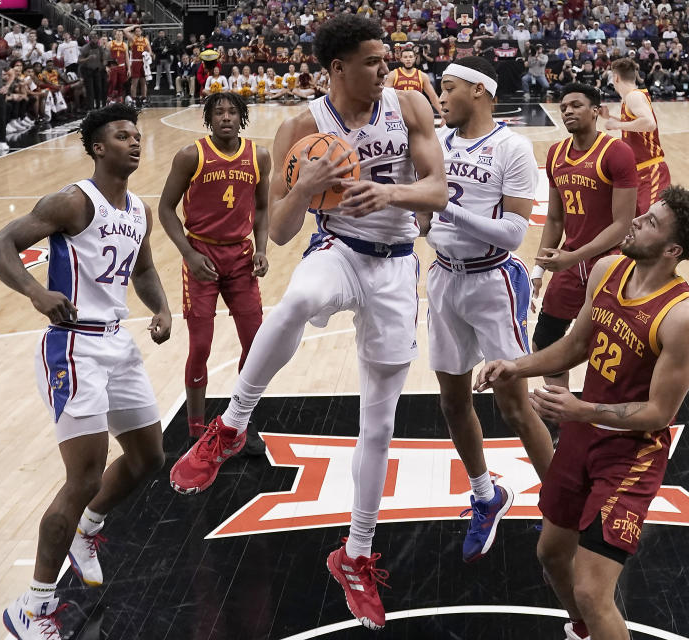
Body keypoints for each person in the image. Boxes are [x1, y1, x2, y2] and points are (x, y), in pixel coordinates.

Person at [168, 13, 447, 630]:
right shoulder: (301, 126)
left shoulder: (410, 107)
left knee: (380, 424)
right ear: (337, 68)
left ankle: (355, 554)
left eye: (386, 57)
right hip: (340, 250)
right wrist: (307, 185)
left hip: (398, 267)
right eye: (373, 60)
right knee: (293, 300)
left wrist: (392, 194)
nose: (385, 68)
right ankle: (231, 425)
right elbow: (281, 230)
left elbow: (437, 191)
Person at [475, 185, 689, 640]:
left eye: (650, 222)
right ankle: (584, 632)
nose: (636, 221)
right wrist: (516, 365)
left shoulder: (682, 317)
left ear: (672, 250)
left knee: (592, 589)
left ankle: (591, 619)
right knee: (551, 554)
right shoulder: (608, 269)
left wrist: (580, 409)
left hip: (630, 456)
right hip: (582, 437)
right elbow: (575, 346)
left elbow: (658, 413)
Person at [0, 104, 171, 640]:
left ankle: (88, 530)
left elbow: (145, 268)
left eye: (137, 135)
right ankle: (33, 607)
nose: (134, 142)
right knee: (83, 477)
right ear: (97, 147)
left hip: (119, 343)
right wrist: (37, 292)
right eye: (122, 135)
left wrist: (159, 308)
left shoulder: (139, 210)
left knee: (148, 457)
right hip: (74, 348)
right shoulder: (72, 201)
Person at [422, 56, 554, 561]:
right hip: (444, 278)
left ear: (479, 90)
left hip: (495, 279)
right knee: (452, 402)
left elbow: (515, 233)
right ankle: (486, 497)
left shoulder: (513, 147)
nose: (441, 97)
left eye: (449, 87)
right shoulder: (435, 143)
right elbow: (426, 217)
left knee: (514, 405)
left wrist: (445, 208)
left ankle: (563, 502)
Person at [158, 92, 270, 454]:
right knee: (201, 345)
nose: (225, 117)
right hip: (202, 256)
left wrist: (263, 248)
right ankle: (194, 430)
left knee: (255, 346)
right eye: (218, 112)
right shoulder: (191, 155)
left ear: (242, 118)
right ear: (208, 119)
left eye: (232, 111)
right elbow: (164, 209)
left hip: (240, 258)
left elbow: (264, 207)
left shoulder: (259, 156)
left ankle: (241, 423)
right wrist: (188, 254)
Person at [531, 83, 637, 390]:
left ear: (595, 111)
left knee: (614, 352)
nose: (568, 111)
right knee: (545, 343)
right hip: (571, 263)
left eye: (576, 105)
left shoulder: (616, 152)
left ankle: (609, 414)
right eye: (564, 107)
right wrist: (539, 269)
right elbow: (554, 218)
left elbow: (623, 224)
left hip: (613, 264)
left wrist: (572, 257)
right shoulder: (555, 154)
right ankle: (559, 415)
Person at [602, 57, 671, 217]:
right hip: (639, 172)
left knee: (652, 223)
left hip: (651, 170)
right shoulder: (629, 99)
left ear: (616, 77)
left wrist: (617, 125)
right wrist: (610, 117)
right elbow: (634, 123)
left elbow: (649, 123)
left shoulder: (634, 96)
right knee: (636, 224)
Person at [386, 43, 444, 118]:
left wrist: (443, 115)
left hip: (416, 112)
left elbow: (433, 97)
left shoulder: (422, 76)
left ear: (415, 58)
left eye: (410, 57)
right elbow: (385, 95)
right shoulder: (393, 74)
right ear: (401, 59)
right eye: (405, 57)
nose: (408, 59)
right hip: (398, 112)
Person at [124, 25, 151, 107]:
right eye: (136, 31)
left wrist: (147, 55)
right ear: (134, 32)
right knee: (134, 82)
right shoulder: (133, 38)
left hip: (143, 62)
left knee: (143, 82)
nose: (138, 32)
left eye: (139, 31)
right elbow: (125, 30)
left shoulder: (145, 40)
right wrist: (135, 25)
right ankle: (133, 99)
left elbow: (150, 51)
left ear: (141, 32)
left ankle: (144, 99)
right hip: (135, 62)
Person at [107, 30, 129, 104]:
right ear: (115, 35)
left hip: (122, 67)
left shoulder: (125, 45)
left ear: (122, 35)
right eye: (118, 34)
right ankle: (110, 98)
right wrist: (107, 66)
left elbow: (127, 58)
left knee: (121, 84)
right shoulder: (110, 43)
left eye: (120, 34)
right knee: (112, 82)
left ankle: (120, 99)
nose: (119, 36)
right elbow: (106, 56)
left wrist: (129, 69)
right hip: (113, 67)